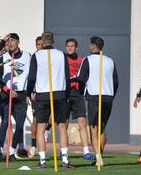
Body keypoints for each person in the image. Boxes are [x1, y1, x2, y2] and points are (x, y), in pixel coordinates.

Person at [26, 31, 73, 169]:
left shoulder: (37, 55)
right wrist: (67, 94)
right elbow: (67, 76)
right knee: (61, 127)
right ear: (53, 40)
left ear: (42, 40)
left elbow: (32, 77)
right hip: (60, 94)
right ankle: (64, 160)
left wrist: (29, 93)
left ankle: (42, 161)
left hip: (42, 95)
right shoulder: (61, 54)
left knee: (41, 128)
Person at [76, 36, 118, 166]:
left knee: (93, 128)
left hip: (94, 97)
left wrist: (82, 92)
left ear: (93, 46)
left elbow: (81, 79)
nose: (89, 46)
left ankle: (98, 157)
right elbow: (116, 82)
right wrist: (111, 95)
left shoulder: (87, 60)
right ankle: (100, 156)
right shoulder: (110, 60)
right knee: (102, 128)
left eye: (90, 44)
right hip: (108, 97)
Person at [0, 33, 31, 162]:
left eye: (12, 41)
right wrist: (8, 90)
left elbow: (32, 75)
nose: (10, 44)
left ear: (18, 42)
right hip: (7, 94)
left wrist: (30, 93)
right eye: (7, 42)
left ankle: (11, 151)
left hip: (21, 95)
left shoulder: (28, 56)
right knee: (5, 122)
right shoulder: (3, 58)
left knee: (20, 125)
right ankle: (0, 151)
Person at [65, 38, 96, 160]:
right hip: (66, 93)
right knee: (64, 124)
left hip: (78, 94)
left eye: (72, 46)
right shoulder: (63, 59)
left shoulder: (82, 60)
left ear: (76, 47)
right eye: (68, 46)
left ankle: (86, 151)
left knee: (82, 122)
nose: (70, 48)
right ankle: (64, 152)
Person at [28, 36, 43, 159]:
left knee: (49, 118)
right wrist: (29, 93)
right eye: (38, 44)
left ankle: (46, 131)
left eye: (42, 44)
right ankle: (33, 146)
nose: (40, 46)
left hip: (48, 92)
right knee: (35, 119)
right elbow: (30, 76)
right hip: (35, 93)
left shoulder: (49, 56)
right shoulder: (33, 57)